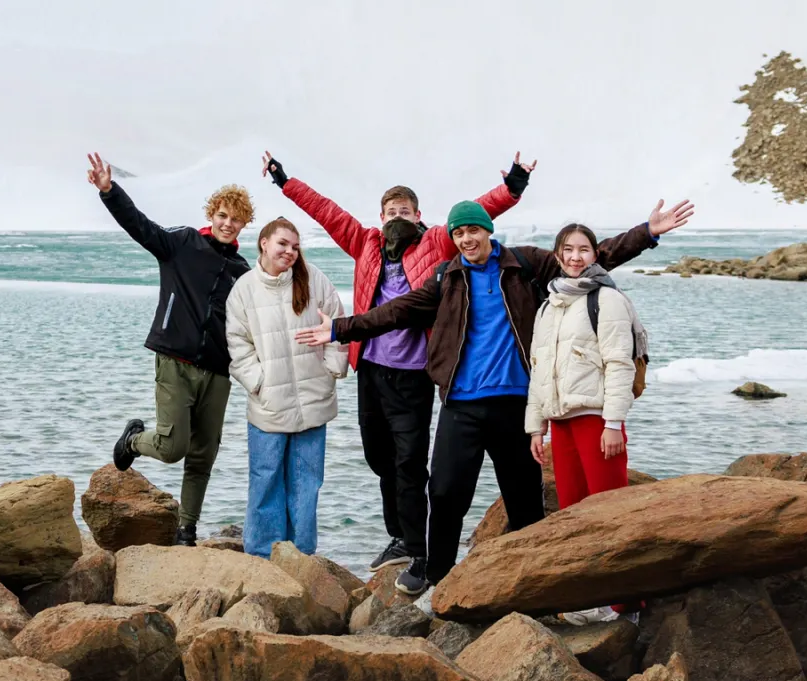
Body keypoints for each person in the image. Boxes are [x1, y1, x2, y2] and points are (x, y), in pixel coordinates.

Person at [298, 195, 693, 595]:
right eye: (459, 232)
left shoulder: (524, 265)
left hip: (516, 404)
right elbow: (395, 311)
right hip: (462, 405)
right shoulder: (445, 278)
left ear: (488, 230)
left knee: (523, 497)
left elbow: (587, 258)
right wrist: (340, 329)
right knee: (446, 492)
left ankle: (536, 577)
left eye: (473, 230)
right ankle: (435, 573)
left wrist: (646, 234)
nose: (467, 238)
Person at [262, 150, 534, 571]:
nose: (396, 216)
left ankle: (414, 543)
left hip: (414, 373)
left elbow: (476, 215)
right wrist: (285, 181)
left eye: (404, 210)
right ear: (381, 216)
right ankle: (401, 535)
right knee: (379, 457)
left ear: (418, 213)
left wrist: (513, 185)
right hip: (371, 369)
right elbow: (326, 211)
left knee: (410, 459)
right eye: (391, 211)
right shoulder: (365, 242)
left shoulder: (436, 242)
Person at [90, 152, 253, 546]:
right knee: (172, 447)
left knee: (203, 457)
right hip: (175, 360)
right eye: (223, 216)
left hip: (217, 371)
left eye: (236, 219)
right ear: (212, 214)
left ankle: (187, 529)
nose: (228, 224)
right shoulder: (182, 243)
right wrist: (110, 192)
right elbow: (141, 228)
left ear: (244, 224)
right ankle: (133, 440)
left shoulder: (242, 271)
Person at [525, 222, 649, 624]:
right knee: (575, 517)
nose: (576, 257)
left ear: (595, 255)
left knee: (611, 515)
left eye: (584, 249)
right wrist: (536, 426)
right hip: (561, 424)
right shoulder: (549, 304)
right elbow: (539, 369)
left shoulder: (607, 299)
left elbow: (617, 364)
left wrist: (614, 422)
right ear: (558, 255)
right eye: (568, 249)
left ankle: (626, 603)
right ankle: (587, 599)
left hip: (596, 420)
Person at [224, 217, 347, 557]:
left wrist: (332, 370)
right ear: (264, 242)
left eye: (295, 247)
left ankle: (301, 554)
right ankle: (263, 554)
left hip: (313, 400)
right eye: (283, 244)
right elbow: (237, 343)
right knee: (265, 481)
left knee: (306, 485)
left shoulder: (314, 280)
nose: (290, 251)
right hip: (268, 404)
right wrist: (259, 382)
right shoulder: (245, 289)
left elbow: (337, 324)